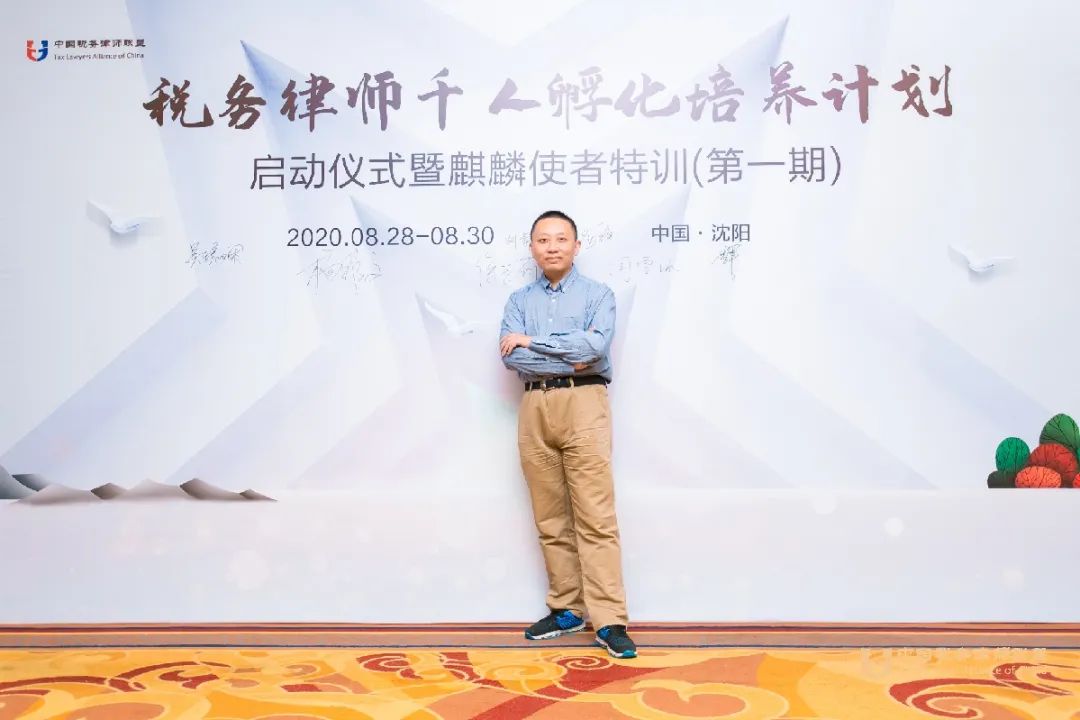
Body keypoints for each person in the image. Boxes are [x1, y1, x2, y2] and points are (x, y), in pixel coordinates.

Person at [498, 209, 637, 659]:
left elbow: (594, 349)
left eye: (561, 239)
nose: (552, 246)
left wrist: (532, 342)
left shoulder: (598, 295)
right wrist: (564, 353)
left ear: (577, 246)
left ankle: (609, 619)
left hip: (584, 403)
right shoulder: (519, 300)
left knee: (595, 515)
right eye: (543, 240)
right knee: (550, 517)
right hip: (534, 406)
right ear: (532, 248)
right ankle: (566, 609)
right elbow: (511, 358)